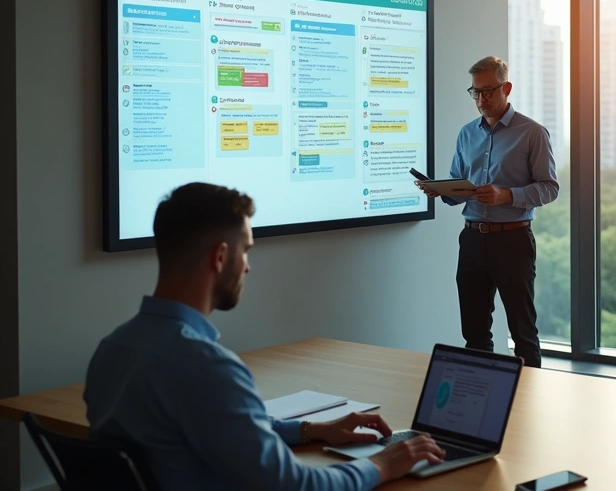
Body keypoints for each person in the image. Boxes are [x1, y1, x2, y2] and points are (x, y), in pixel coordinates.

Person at [84, 183, 446, 490]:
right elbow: (294, 486)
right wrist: (381, 464)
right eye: (246, 250)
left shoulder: (113, 349)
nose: (247, 266)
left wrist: (312, 430)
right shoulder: (208, 369)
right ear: (220, 256)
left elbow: (225, 424)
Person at [418, 56, 559, 368]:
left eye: (488, 91)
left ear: (506, 88)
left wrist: (506, 195)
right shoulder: (467, 133)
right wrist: (441, 190)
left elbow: (550, 188)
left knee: (523, 332)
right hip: (471, 241)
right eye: (475, 92)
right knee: (474, 332)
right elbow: (458, 189)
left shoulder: (532, 132)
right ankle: (483, 395)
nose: (481, 99)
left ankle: (529, 397)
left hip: (513, 241)